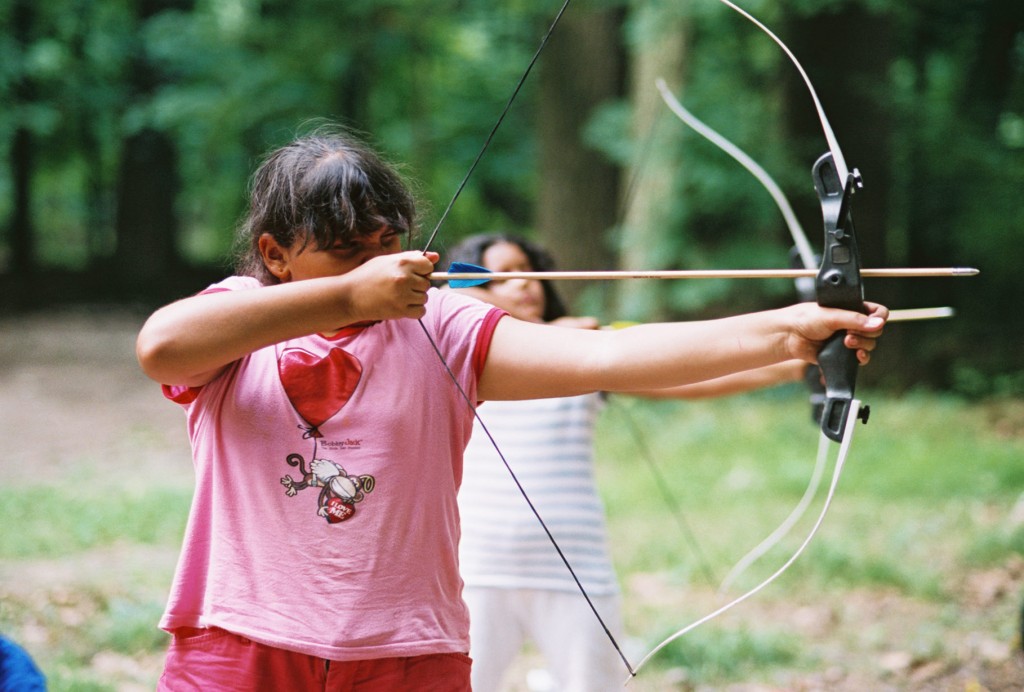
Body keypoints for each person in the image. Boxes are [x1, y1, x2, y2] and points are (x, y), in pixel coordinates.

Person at [135, 126, 887, 691]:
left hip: (406, 653)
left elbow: (607, 358)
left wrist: (791, 332)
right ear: (275, 255)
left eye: (388, 243)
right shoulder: (236, 320)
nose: (378, 266)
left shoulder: (443, 325)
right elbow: (161, 348)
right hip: (238, 642)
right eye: (347, 252)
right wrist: (347, 297)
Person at [445, 233, 809, 692]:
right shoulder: (461, 354)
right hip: (479, 565)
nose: (522, 282)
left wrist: (797, 362)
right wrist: (543, 328)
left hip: (575, 563)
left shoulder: (586, 352)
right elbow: (442, 298)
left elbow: (687, 378)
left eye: (527, 270)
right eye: (501, 275)